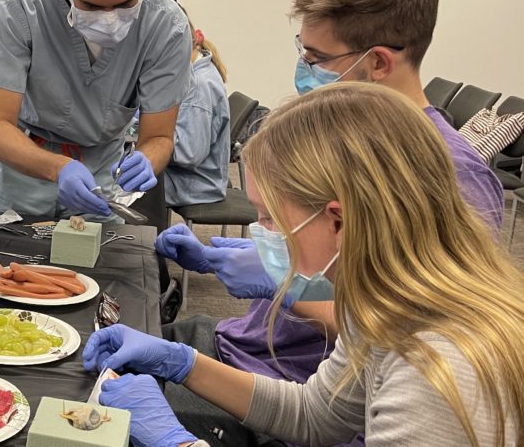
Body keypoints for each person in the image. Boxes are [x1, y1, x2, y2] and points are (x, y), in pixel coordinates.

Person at [154, 0, 507, 444]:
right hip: (271, 365)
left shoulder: (445, 181)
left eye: (317, 59)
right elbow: (319, 409)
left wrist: (289, 289)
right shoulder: (354, 140)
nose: (303, 70)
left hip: (286, 374)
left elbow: (387, 328)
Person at [86, 83, 524, 447]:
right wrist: (182, 362)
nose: (261, 232)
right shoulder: (383, 303)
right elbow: (316, 415)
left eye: (271, 216)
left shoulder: (436, 372)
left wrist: (175, 442)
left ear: (338, 219)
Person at [0, 0, 192, 221]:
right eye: (91, 6)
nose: (109, 20)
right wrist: (59, 168)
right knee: (11, 256)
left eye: (125, 4)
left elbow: (159, 136)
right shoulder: (16, 7)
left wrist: (147, 159)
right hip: (22, 165)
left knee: (96, 258)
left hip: (103, 174)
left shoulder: (166, 27)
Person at [161, 5, 230, 207]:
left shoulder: (198, 85)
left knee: (120, 184)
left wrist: (150, 132)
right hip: (191, 177)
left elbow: (189, 153)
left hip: (197, 185)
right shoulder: (199, 71)